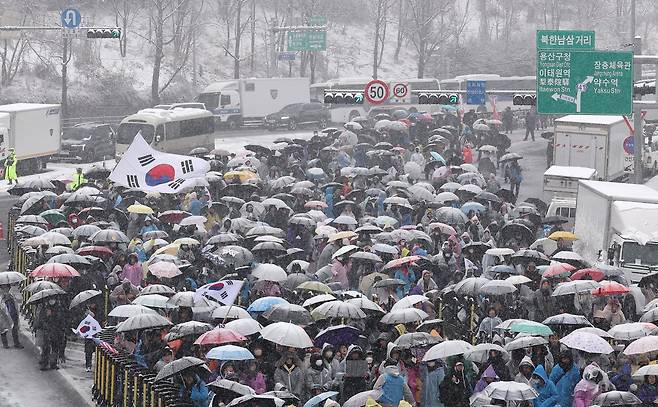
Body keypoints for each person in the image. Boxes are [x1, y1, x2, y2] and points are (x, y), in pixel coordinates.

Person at [0, 285, 23, 349]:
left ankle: (16, 343)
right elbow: (2, 307)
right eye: (4, 288)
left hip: (13, 314)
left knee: (14, 329)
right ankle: (5, 344)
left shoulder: (11, 295)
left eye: (7, 288)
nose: (6, 289)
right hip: (4, 315)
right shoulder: (1, 297)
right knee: (3, 329)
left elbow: (15, 304)